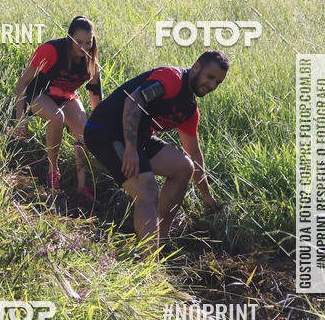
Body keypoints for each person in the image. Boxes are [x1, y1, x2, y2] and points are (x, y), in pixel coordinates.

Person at [83, 50, 229, 250]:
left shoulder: (189, 108)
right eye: (210, 77)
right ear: (196, 67)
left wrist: (206, 195)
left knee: (184, 167)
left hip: (137, 137)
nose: (212, 85)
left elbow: (194, 153)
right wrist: (131, 150)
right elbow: (133, 102)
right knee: (147, 191)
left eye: (218, 82)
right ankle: (150, 261)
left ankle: (160, 240)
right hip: (105, 131)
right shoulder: (171, 79)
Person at [13, 16, 102, 200]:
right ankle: (53, 172)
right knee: (57, 117)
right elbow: (22, 82)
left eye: (88, 42)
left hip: (65, 95)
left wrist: (101, 127)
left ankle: (82, 186)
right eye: (78, 42)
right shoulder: (51, 51)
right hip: (38, 94)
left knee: (84, 129)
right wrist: (20, 118)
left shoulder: (91, 60)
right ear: (69, 38)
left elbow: (95, 98)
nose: (84, 47)